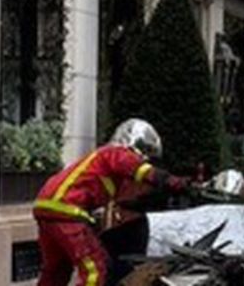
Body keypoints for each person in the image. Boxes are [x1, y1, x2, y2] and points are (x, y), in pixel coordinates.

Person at [34, 118, 191, 286]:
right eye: (146, 153)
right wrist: (172, 181)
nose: (145, 160)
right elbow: (141, 171)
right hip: (67, 209)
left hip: (46, 208)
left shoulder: (105, 164)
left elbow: (128, 197)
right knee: (96, 268)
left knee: (57, 270)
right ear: (135, 144)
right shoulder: (116, 153)